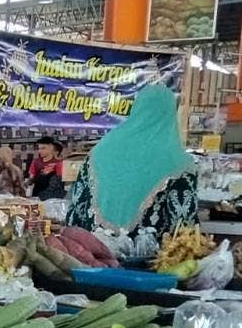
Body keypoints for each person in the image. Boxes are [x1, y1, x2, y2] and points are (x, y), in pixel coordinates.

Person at [67, 84, 198, 236]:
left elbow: (77, 209)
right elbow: (184, 227)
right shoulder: (178, 161)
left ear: (136, 108)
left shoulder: (102, 148)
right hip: (150, 255)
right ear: (171, 113)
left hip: (93, 251)